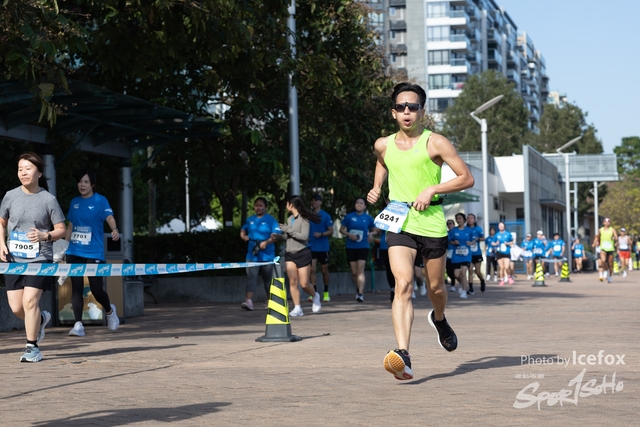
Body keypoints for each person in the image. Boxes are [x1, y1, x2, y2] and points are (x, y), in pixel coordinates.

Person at [367, 82, 474, 380]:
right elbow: (382, 161)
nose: (406, 112)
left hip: (432, 223)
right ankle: (403, 354)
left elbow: (466, 178)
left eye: (412, 107)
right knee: (402, 284)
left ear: (421, 112)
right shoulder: (383, 144)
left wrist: (433, 189)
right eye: (401, 107)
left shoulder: (436, 143)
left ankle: (439, 318)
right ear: (393, 112)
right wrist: (377, 186)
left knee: (435, 288)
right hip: (400, 223)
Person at [0, 152, 66, 362]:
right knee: (17, 308)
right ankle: (42, 318)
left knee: (30, 302)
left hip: (39, 258)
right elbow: (1, 222)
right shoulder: (10, 196)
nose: (23, 173)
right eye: (20, 169)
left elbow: (61, 229)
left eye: (28, 169)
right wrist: (1, 243)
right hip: (13, 259)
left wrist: (45, 236)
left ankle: (32, 347)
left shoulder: (48, 199)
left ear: (39, 172)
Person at [65, 169, 121, 336]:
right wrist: (63, 247)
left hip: (94, 252)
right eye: (80, 181)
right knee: (76, 288)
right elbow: (70, 226)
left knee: (96, 289)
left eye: (86, 182)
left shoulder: (100, 200)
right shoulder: (74, 202)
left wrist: (114, 229)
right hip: (74, 250)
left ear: (93, 184)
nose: (82, 185)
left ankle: (109, 311)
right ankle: (78, 324)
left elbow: (109, 217)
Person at [277, 195, 321, 317]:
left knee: (304, 283)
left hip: (302, 253)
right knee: (292, 282)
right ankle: (297, 308)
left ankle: (315, 295)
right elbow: (290, 236)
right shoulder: (290, 218)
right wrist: (280, 237)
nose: (286, 206)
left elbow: (304, 236)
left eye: (287, 204)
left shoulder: (304, 219)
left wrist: (287, 229)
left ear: (291, 204)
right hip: (290, 254)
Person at [240, 197, 281, 311]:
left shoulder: (271, 220)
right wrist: (243, 236)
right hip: (252, 254)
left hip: (267, 255)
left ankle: (270, 301)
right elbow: (243, 230)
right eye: (256, 205)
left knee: (268, 279)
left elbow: (276, 235)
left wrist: (266, 242)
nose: (258, 208)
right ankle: (248, 301)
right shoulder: (250, 219)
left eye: (260, 205)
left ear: (265, 207)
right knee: (251, 278)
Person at [340, 197, 376, 302]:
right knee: (354, 272)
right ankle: (358, 288)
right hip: (351, 246)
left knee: (361, 270)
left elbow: (376, 230)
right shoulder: (349, 217)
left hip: (363, 246)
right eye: (357, 203)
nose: (359, 204)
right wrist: (349, 234)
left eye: (361, 203)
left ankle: (360, 293)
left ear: (365, 206)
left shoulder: (368, 218)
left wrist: (371, 234)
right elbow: (341, 230)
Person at [308, 194, 333, 302]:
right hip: (311, 246)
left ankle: (326, 292)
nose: (313, 202)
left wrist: (321, 234)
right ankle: (314, 293)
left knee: (324, 270)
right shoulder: (309, 215)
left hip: (323, 247)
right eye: (312, 201)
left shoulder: (326, 216)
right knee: (312, 270)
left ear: (320, 202)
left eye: (316, 200)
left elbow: (331, 231)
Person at [449, 213, 474, 299]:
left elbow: (474, 240)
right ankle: (461, 283)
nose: (458, 220)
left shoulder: (469, 230)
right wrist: (454, 242)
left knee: (463, 272)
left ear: (464, 220)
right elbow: (449, 241)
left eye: (460, 218)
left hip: (466, 255)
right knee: (456, 275)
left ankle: (464, 291)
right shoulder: (454, 230)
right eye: (457, 219)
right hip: (456, 256)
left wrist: (470, 243)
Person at [593, 217, 617, 283]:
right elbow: (597, 237)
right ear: (603, 223)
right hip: (603, 248)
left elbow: (616, 237)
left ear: (610, 223)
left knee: (610, 264)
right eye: (605, 221)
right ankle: (606, 271)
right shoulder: (600, 230)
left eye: (608, 221)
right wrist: (594, 243)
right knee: (603, 261)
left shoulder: (612, 230)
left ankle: (610, 276)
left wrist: (614, 238)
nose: (607, 222)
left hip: (610, 249)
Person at [465, 213, 485, 293]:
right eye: (468, 218)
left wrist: (478, 239)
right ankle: (471, 288)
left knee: (477, 271)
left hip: (477, 253)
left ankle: (482, 281)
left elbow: (483, 238)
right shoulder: (465, 229)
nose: (470, 220)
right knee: (470, 270)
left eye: (471, 218)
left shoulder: (478, 229)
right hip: (468, 253)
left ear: (474, 220)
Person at [493, 221, 514, 286]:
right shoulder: (496, 235)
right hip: (499, 252)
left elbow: (512, 242)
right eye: (499, 226)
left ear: (504, 226)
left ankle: (509, 277)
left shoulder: (508, 234)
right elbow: (492, 243)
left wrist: (507, 243)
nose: (501, 227)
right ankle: (502, 280)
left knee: (506, 267)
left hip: (506, 252)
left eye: (502, 226)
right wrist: (496, 244)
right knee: (501, 268)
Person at [445, 219, 457, 291]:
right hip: (447, 253)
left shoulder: (456, 231)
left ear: (453, 224)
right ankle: (454, 281)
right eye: (448, 224)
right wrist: (451, 242)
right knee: (448, 271)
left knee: (454, 270)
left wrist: (451, 242)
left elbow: (457, 242)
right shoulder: (446, 233)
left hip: (455, 253)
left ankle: (453, 285)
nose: (449, 225)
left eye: (450, 223)